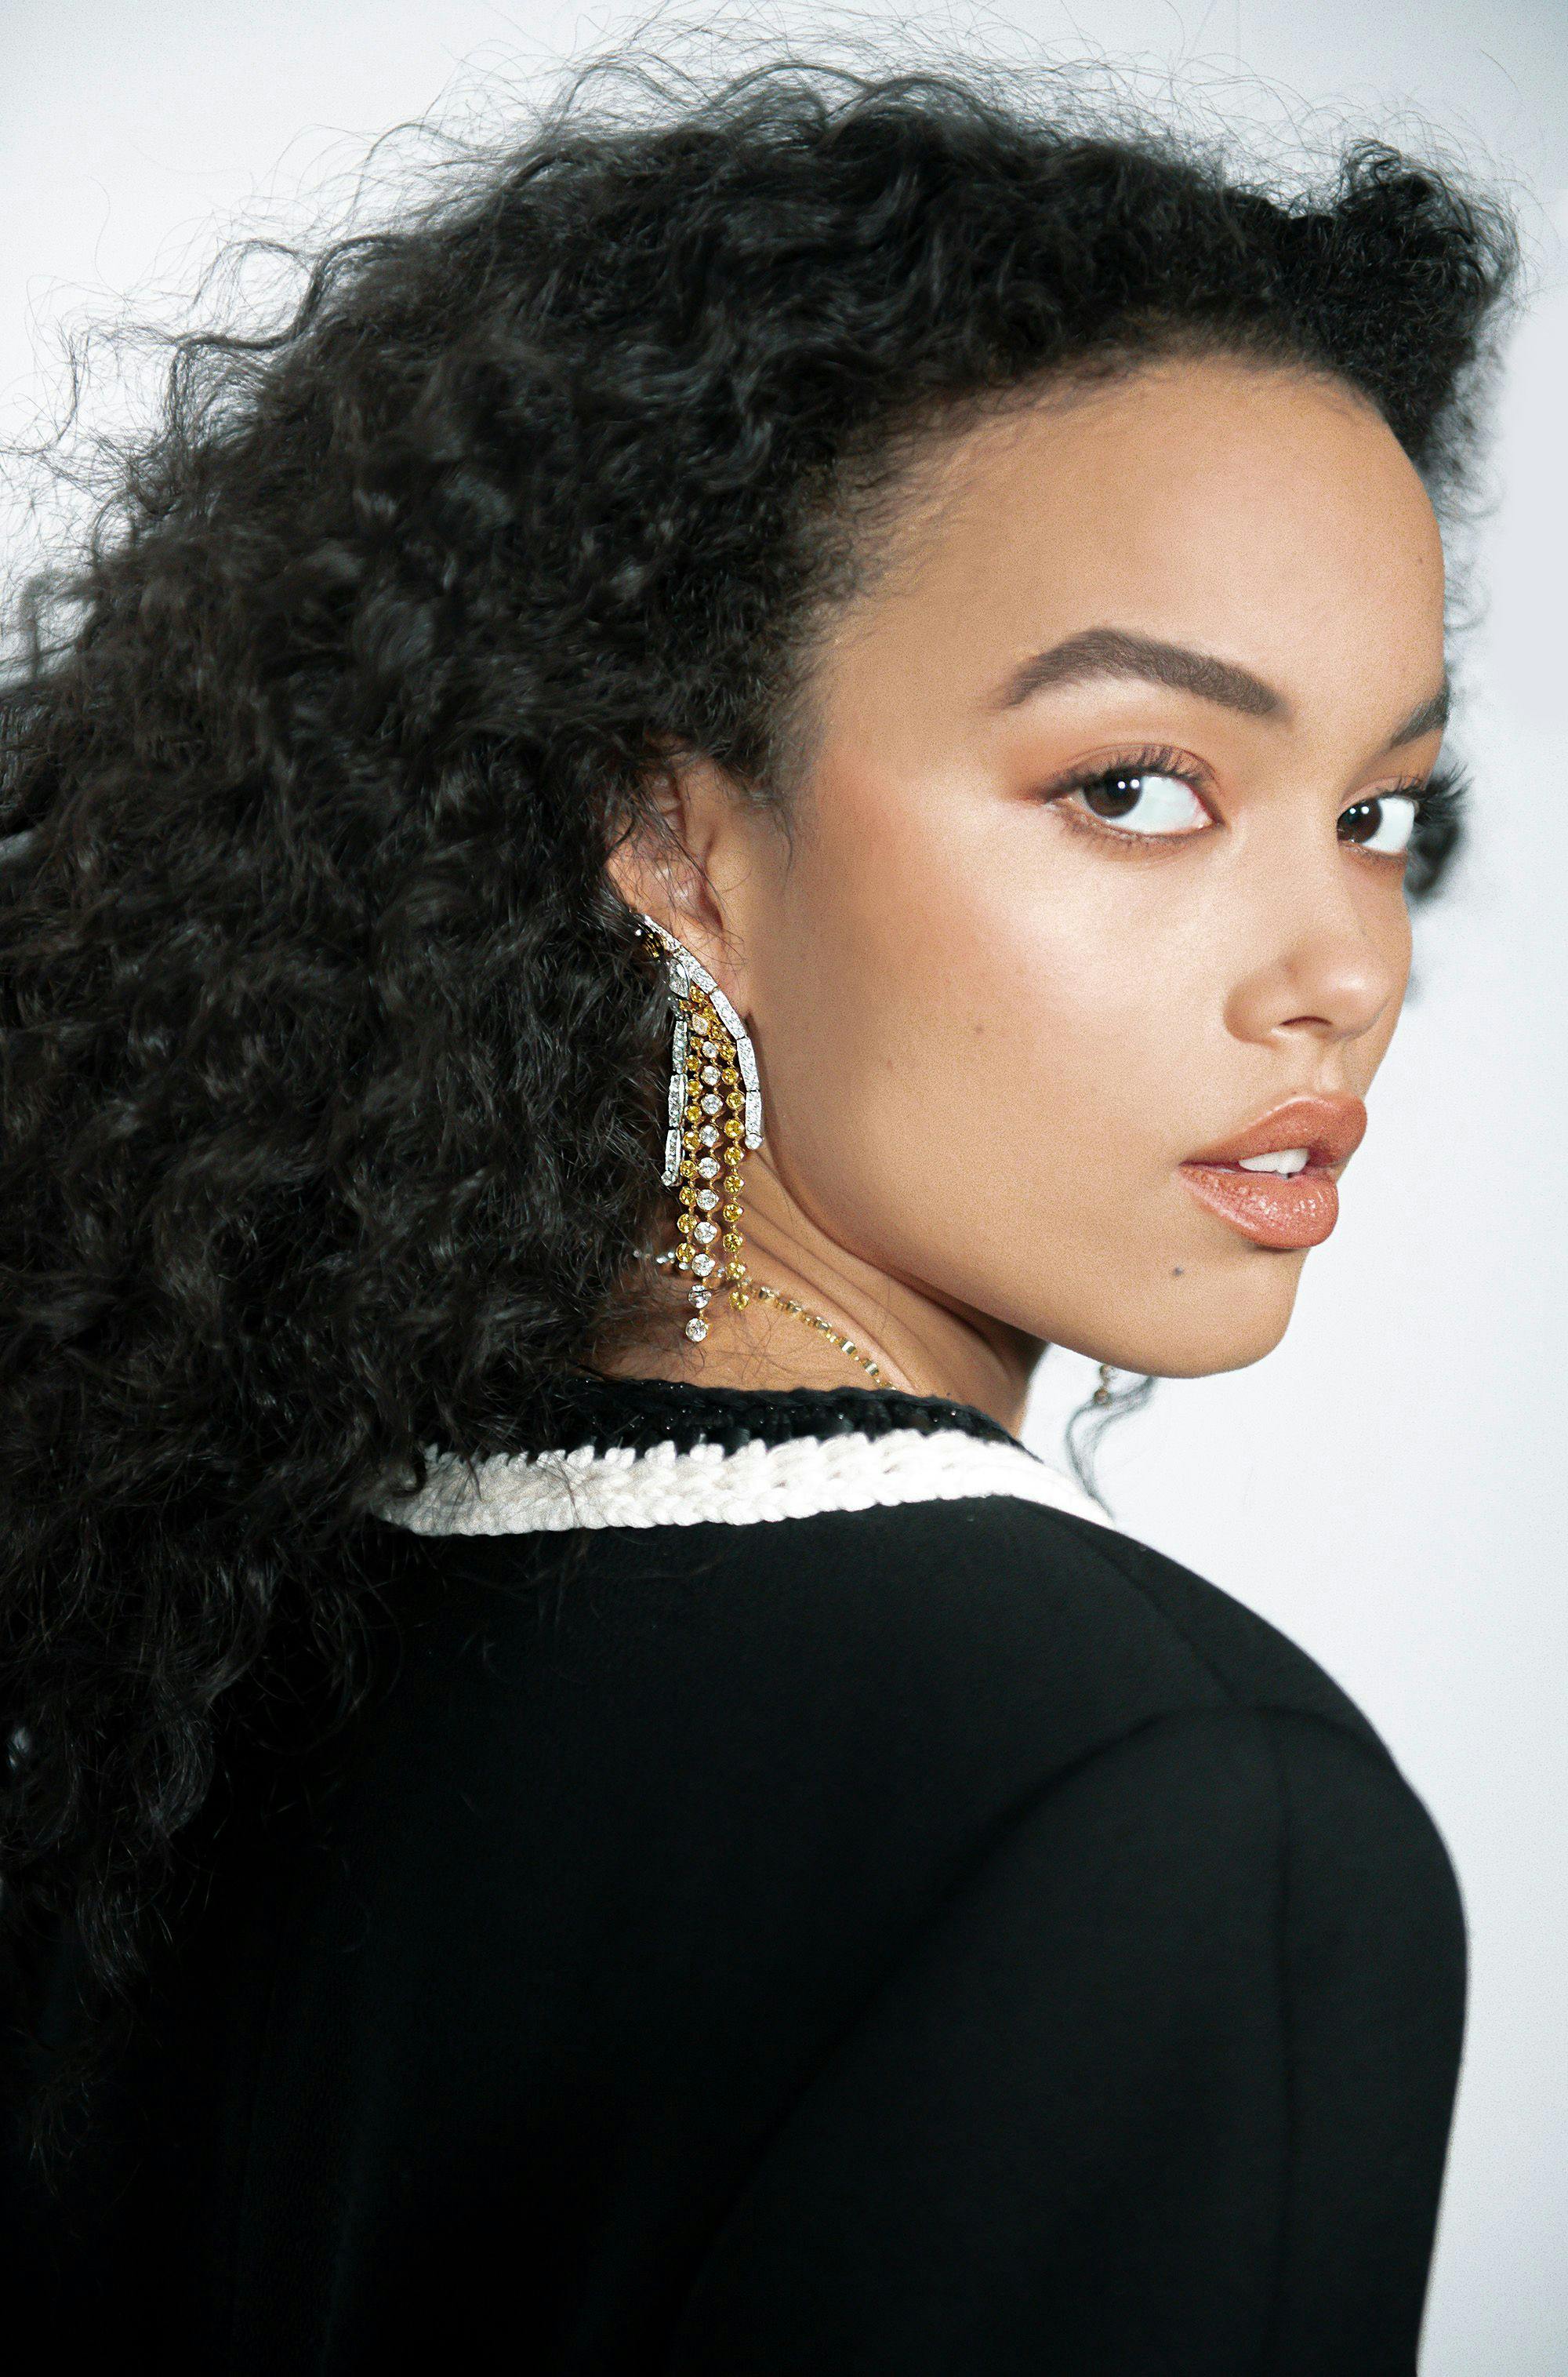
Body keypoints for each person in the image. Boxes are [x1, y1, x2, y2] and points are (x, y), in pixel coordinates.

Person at [0, 56, 1516, 2374]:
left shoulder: (207, 1662)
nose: (1342, 968)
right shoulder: (1164, 1802)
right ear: (677, 841)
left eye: (1380, 812)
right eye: (1136, 787)